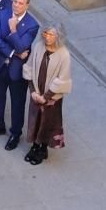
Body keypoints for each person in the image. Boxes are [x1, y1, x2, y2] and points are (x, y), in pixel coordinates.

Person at [0, 0, 39, 152]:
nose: (16, 5)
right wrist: (14, 52)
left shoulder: (32, 25)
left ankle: (15, 133)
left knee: (17, 103)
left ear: (27, 5)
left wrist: (13, 30)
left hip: (17, 71)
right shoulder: (2, 14)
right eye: (15, 1)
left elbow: (23, 46)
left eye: (20, 3)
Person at [19, 25, 73, 165]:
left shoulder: (64, 54)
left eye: (51, 35)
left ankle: (42, 149)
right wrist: (33, 91)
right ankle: (34, 146)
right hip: (36, 93)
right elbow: (29, 67)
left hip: (51, 98)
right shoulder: (38, 46)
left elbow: (63, 80)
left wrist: (45, 97)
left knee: (47, 122)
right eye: (45, 33)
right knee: (35, 120)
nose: (47, 37)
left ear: (58, 36)